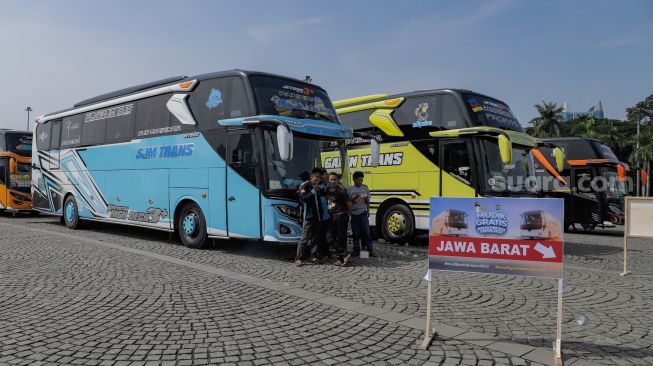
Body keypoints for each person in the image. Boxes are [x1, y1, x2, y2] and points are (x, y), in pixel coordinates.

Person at [295, 168, 326, 266]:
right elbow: (303, 198)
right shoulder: (305, 186)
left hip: (318, 216)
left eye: (320, 177)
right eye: (316, 177)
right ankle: (299, 258)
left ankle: (314, 256)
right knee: (304, 238)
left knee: (315, 238)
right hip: (308, 216)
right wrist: (313, 191)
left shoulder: (320, 187)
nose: (318, 179)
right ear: (311, 176)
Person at [324, 172, 352, 266]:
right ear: (328, 180)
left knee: (342, 239)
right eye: (331, 179)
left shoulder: (341, 191)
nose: (333, 181)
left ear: (338, 180)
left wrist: (342, 213)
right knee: (329, 238)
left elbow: (349, 205)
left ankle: (342, 260)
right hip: (332, 217)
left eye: (335, 179)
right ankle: (345, 255)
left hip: (341, 217)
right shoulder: (326, 190)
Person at [347, 171, 375, 257]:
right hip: (354, 214)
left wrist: (368, 210)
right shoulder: (350, 190)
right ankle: (356, 250)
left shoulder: (365, 188)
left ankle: (370, 250)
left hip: (363, 213)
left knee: (366, 232)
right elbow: (348, 202)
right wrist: (354, 198)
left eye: (361, 180)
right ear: (354, 179)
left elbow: (368, 201)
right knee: (355, 233)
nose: (360, 182)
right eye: (358, 180)